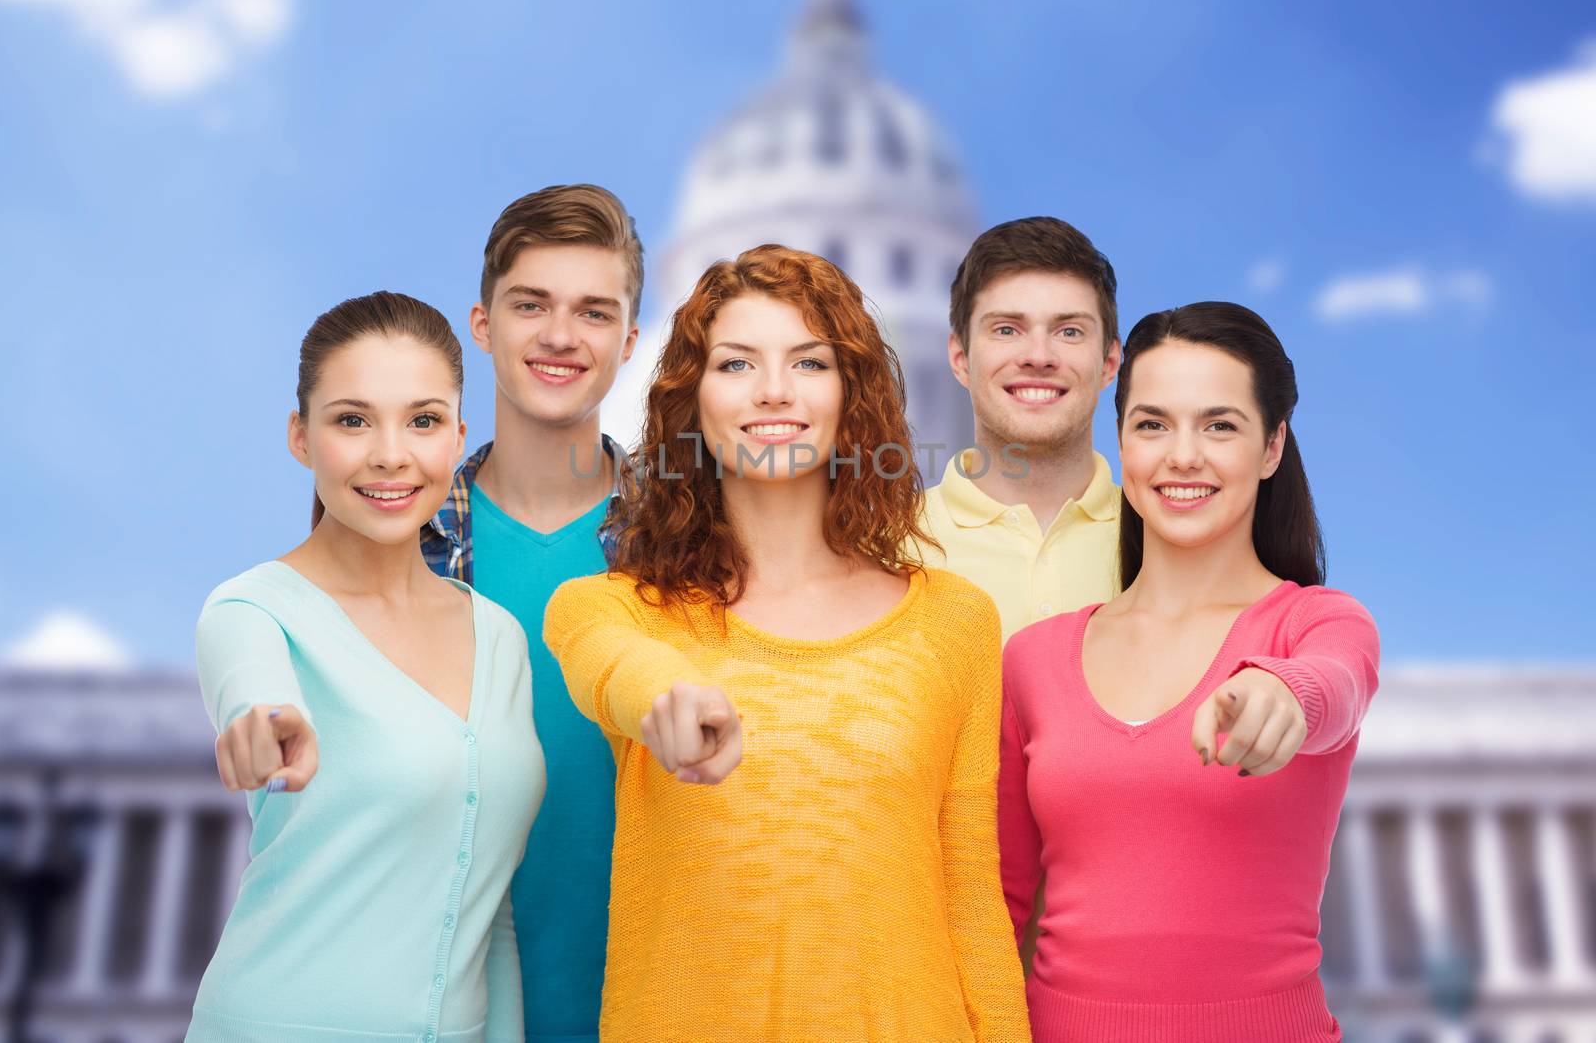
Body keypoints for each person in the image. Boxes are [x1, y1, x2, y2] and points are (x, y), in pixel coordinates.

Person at [543, 245, 1030, 1042]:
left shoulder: (956, 622)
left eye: (808, 362)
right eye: (737, 364)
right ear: (690, 403)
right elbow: (620, 670)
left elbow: (972, 899)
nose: (774, 390)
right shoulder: (613, 611)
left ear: (851, 396)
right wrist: (671, 696)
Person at [998, 301, 1379, 1042]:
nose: (1182, 456)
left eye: (1220, 425)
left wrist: (1282, 690)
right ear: (1120, 442)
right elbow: (999, 900)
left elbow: (1337, 683)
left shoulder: (1315, 625)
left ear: (1272, 446)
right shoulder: (1033, 659)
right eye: (1152, 423)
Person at [190, 292, 545, 1043]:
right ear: (300, 435)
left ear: (458, 436)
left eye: (422, 420)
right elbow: (254, 694)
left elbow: (491, 907)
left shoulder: (503, 638)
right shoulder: (251, 611)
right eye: (352, 419)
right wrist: (265, 725)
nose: (391, 453)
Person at [422, 184, 641, 1043]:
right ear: (482, 324)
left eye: (593, 311)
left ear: (628, 341)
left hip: (651, 1002)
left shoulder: (694, 544)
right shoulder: (400, 531)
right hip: (444, 1010)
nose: (559, 335)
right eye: (531, 305)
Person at [918, 216, 1123, 643]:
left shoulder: (1168, 542)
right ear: (960, 359)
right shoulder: (882, 548)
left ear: (1109, 363)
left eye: (1069, 331)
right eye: (1007, 329)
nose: (1038, 355)